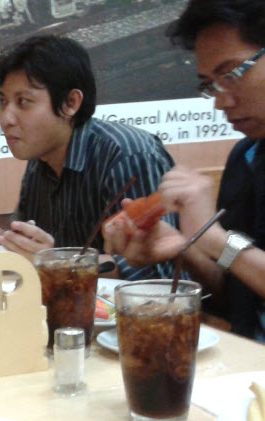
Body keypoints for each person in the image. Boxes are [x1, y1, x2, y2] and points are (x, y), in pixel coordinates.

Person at [104, 0, 265, 342]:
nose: (220, 101)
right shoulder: (247, 157)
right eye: (210, 85)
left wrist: (217, 241)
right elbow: (237, 300)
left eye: (232, 74)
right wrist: (186, 248)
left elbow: (228, 249)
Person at [0, 35, 177, 280]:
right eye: (3, 101)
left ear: (70, 103)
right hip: (70, 302)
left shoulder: (128, 154)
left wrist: (57, 263)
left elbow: (154, 269)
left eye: (24, 102)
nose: (6, 118)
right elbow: (31, 249)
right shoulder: (40, 158)